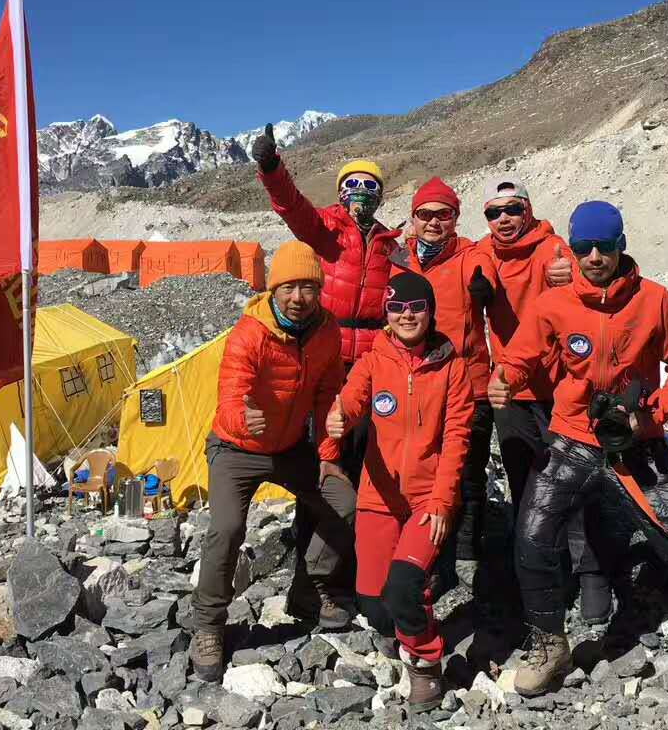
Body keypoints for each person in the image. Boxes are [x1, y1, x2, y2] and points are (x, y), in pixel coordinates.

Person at [488, 201, 668, 721]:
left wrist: (651, 417)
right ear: (572, 250)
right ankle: (550, 645)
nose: (595, 257)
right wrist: (504, 377)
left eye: (605, 246)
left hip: (636, 445)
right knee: (530, 536)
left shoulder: (654, 301)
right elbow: (521, 358)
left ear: (622, 244)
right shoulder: (553, 305)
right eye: (583, 248)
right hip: (573, 438)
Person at [251, 124, 402, 617]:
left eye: (370, 186)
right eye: (352, 185)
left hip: (373, 367)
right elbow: (291, 208)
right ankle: (310, 583)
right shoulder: (327, 230)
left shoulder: (388, 244)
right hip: (328, 364)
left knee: (361, 471)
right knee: (325, 469)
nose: (361, 194)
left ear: (381, 194)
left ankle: (351, 572)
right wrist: (272, 169)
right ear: (341, 192)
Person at [189, 241, 358, 682]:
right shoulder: (250, 332)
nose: (298, 298)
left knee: (341, 500)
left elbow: (326, 398)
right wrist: (240, 417)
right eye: (288, 288)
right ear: (273, 289)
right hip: (236, 449)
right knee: (226, 529)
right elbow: (228, 393)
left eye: (307, 287)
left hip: (287, 450)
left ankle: (308, 591)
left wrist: (327, 457)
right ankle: (208, 625)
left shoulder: (326, 332)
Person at [321, 271, 473, 712]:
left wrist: (444, 501)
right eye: (397, 308)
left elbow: (457, 440)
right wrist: (340, 417)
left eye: (417, 307)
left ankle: (426, 666)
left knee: (404, 585)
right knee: (374, 602)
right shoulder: (374, 359)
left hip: (428, 501)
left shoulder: (453, 368)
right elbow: (353, 397)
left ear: (430, 311)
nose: (407, 315)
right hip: (379, 498)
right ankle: (404, 624)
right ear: (387, 315)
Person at [475, 176, 617, 624]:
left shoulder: (551, 247)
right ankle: (539, 571)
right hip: (513, 389)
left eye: (513, 210)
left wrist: (569, 273)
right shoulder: (484, 252)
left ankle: (592, 571)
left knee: (575, 482)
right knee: (526, 485)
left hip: (562, 388)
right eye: (494, 213)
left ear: (529, 211)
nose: (504, 220)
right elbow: (469, 266)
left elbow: (586, 273)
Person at [389, 178, 496, 566]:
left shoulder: (472, 257)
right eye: (425, 214)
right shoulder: (398, 261)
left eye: (444, 214)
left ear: (455, 218)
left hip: (470, 383)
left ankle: (466, 552)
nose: (434, 222)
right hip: (417, 382)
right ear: (413, 218)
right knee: (421, 466)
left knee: (468, 470)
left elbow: (509, 272)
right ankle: (421, 546)